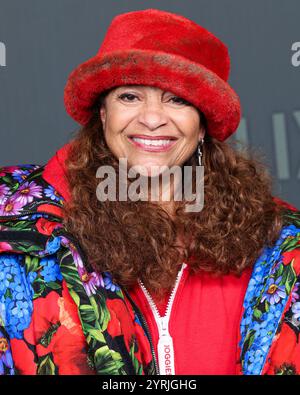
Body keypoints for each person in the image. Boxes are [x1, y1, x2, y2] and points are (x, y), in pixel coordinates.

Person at [0, 8, 300, 376]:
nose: (153, 118)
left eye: (177, 99)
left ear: (202, 124)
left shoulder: (277, 244)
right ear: (104, 114)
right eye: (130, 97)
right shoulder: (21, 228)